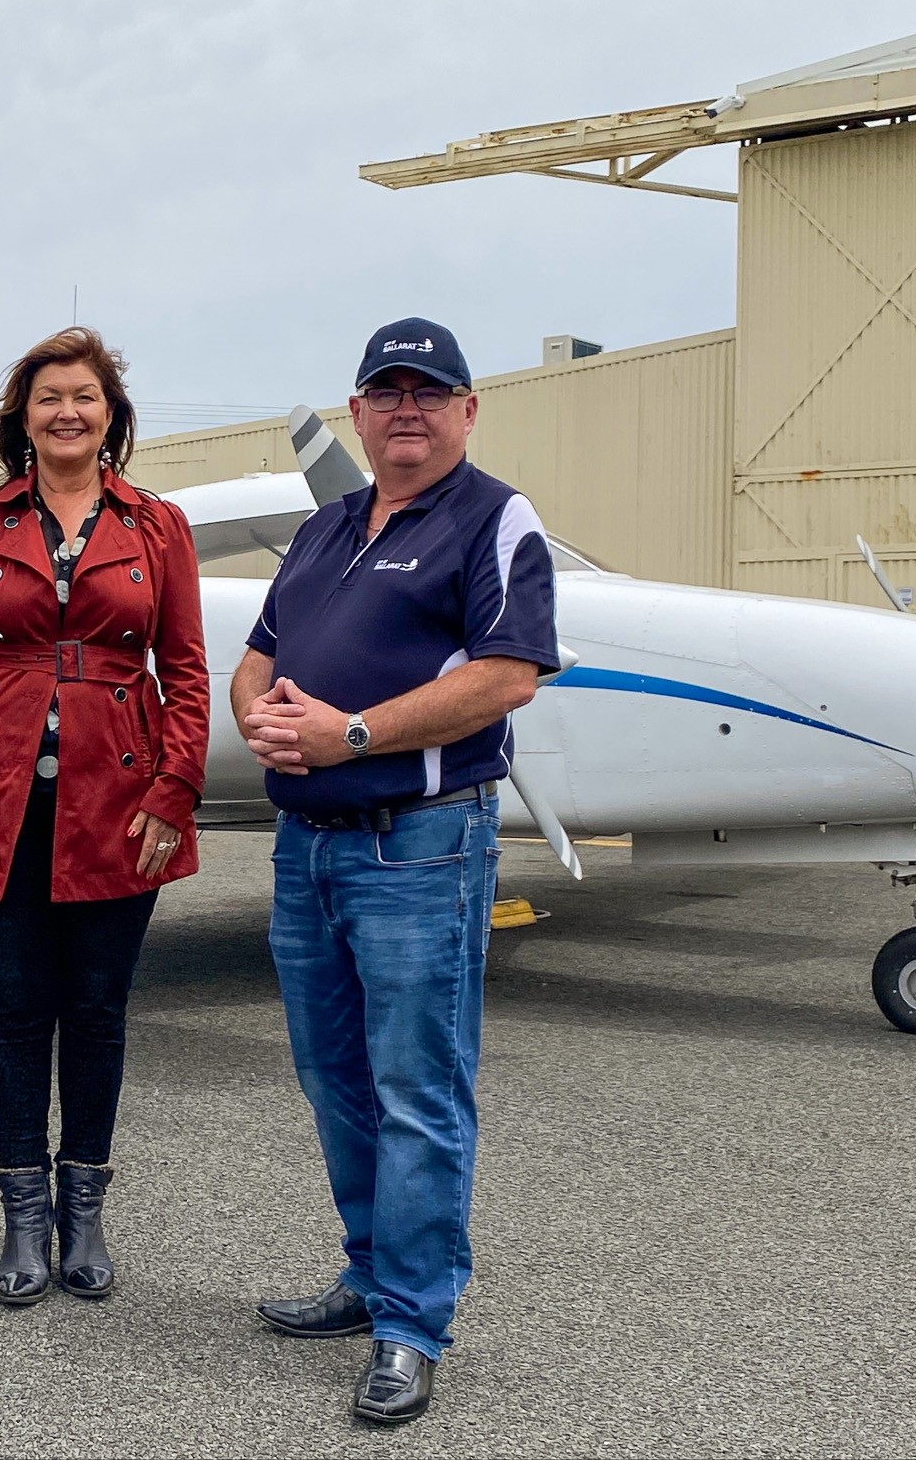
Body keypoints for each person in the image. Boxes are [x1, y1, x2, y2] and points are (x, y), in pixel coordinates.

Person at [234, 317, 557, 1424]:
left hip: (417, 842)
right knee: (332, 1076)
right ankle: (369, 1276)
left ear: (467, 411)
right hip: (308, 846)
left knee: (416, 1087)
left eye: (430, 391)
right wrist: (264, 725)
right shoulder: (324, 531)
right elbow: (256, 661)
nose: (405, 408)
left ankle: (412, 1324)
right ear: (358, 412)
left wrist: (351, 735)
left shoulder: (491, 520)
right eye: (386, 391)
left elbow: (509, 675)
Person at [0, 327, 210, 1305]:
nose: (66, 412)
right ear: (22, 418)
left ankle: (82, 1211)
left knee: (95, 1012)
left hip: (120, 804)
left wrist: (172, 790)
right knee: (15, 1014)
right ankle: (21, 1219)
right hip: (0, 802)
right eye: (48, 398)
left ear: (109, 413)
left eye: (83, 396)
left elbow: (188, 671)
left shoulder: (156, 525)